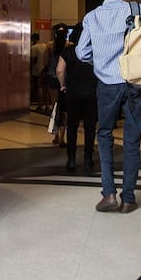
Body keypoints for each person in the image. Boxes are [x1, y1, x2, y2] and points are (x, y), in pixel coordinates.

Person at [77, 0, 141, 213]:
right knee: (132, 139)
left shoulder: (92, 17)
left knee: (105, 135)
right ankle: (129, 197)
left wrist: (99, 61)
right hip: (134, 82)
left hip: (107, 85)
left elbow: (81, 52)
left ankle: (109, 193)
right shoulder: (138, 10)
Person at [56, 22, 97, 173]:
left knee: (72, 126)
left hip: (72, 92)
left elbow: (60, 70)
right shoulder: (94, 50)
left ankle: (71, 159)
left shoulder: (68, 51)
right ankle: (88, 158)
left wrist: (62, 85)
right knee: (90, 127)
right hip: (92, 93)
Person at [29, 33, 50, 111]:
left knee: (39, 87)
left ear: (33, 39)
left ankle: (40, 104)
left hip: (37, 70)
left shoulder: (34, 48)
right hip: (46, 70)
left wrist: (30, 70)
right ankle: (47, 105)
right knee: (46, 88)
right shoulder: (45, 46)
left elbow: (33, 60)